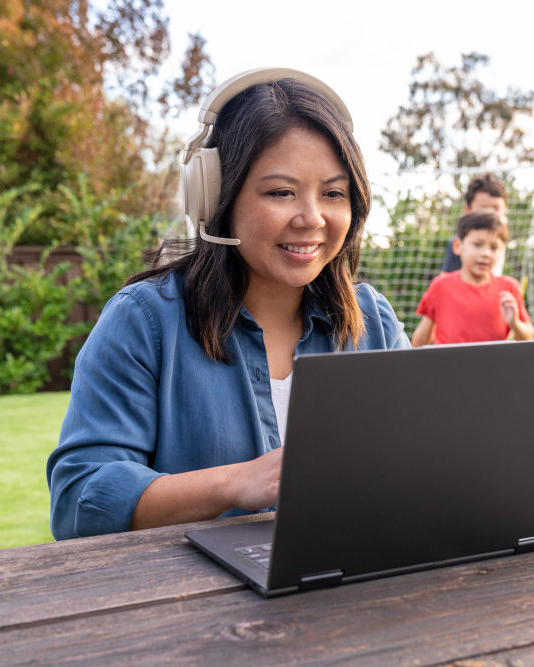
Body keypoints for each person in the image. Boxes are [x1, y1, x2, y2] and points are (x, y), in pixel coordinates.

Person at [47, 68, 409, 540]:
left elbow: (416, 458)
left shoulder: (373, 320)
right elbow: (81, 502)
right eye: (281, 192)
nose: (312, 218)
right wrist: (234, 483)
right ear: (216, 194)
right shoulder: (143, 321)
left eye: (333, 193)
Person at [412, 209, 534, 346]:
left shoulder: (509, 288)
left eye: (494, 247)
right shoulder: (441, 285)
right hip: (447, 366)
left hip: (492, 366)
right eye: (477, 244)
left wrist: (515, 323)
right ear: (458, 246)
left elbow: (528, 337)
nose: (486, 253)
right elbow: (422, 336)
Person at [439, 173, 509, 274]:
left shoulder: (500, 241)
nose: (490, 214)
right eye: (483, 208)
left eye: (496, 208)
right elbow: (445, 280)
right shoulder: (463, 243)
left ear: (505, 209)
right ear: (468, 210)